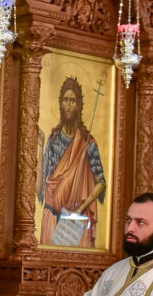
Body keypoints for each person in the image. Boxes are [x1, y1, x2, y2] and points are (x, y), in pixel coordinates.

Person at [38, 77, 106, 247]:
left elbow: (101, 183)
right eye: (65, 100)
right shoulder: (53, 140)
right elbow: (41, 186)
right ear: (60, 103)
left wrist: (80, 209)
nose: (68, 105)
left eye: (72, 101)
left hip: (75, 222)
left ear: (78, 105)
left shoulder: (87, 142)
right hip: (52, 219)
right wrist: (40, 150)